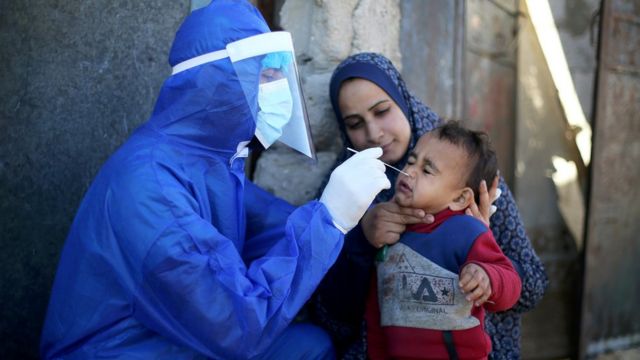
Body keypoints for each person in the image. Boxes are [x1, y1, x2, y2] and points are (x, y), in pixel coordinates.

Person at [40, 2, 391, 359]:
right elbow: (234, 326)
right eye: (266, 77)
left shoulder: (207, 162)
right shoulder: (149, 187)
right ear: (219, 83)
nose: (278, 90)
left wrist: (362, 231)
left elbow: (273, 225)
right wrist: (330, 217)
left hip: (175, 337)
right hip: (123, 350)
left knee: (309, 347)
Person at [310, 53, 548, 359]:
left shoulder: (467, 174)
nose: (373, 133)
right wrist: (361, 242)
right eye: (355, 124)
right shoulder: (341, 190)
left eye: (382, 111)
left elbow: (533, 287)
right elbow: (332, 320)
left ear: (403, 101)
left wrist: (480, 248)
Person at [365, 121, 522, 359]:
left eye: (427, 170)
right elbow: (378, 315)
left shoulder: (465, 230)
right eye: (411, 161)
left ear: (460, 199)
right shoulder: (388, 232)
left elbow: (511, 282)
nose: (410, 172)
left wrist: (487, 276)